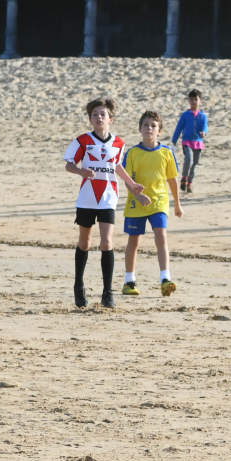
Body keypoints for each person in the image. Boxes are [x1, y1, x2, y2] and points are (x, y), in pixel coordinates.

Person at [64, 98, 142, 309]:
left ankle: (107, 293)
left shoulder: (118, 143)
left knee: (107, 243)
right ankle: (78, 285)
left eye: (103, 114)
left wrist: (132, 184)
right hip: (87, 197)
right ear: (90, 119)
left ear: (110, 119)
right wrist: (81, 171)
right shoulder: (83, 141)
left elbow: (117, 166)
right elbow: (68, 165)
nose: (99, 117)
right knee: (85, 243)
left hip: (108, 197)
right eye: (95, 114)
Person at [119, 111, 181, 298]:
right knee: (134, 240)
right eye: (145, 125)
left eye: (153, 126)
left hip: (159, 202)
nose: (149, 129)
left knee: (161, 236)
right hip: (136, 204)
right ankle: (129, 281)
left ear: (159, 131)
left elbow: (172, 180)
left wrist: (177, 204)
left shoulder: (166, 153)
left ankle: (165, 279)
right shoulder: (132, 153)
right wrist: (138, 197)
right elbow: (127, 180)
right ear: (140, 129)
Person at [171, 89, 208, 193]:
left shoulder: (203, 116)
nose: (193, 102)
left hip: (198, 142)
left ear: (200, 101)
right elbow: (179, 127)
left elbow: (205, 127)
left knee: (195, 163)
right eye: (191, 99)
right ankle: (184, 178)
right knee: (189, 159)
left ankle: (190, 182)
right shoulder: (185, 115)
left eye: (195, 99)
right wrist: (174, 139)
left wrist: (204, 133)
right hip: (187, 142)